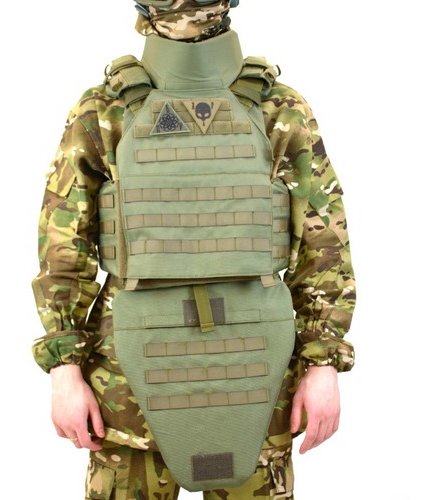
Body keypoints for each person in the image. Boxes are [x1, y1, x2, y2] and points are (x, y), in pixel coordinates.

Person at [31, 1, 356, 498]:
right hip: (127, 386)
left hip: (256, 381)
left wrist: (323, 363)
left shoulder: (278, 108)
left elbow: (324, 246)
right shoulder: (103, 109)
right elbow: (63, 246)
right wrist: (64, 367)